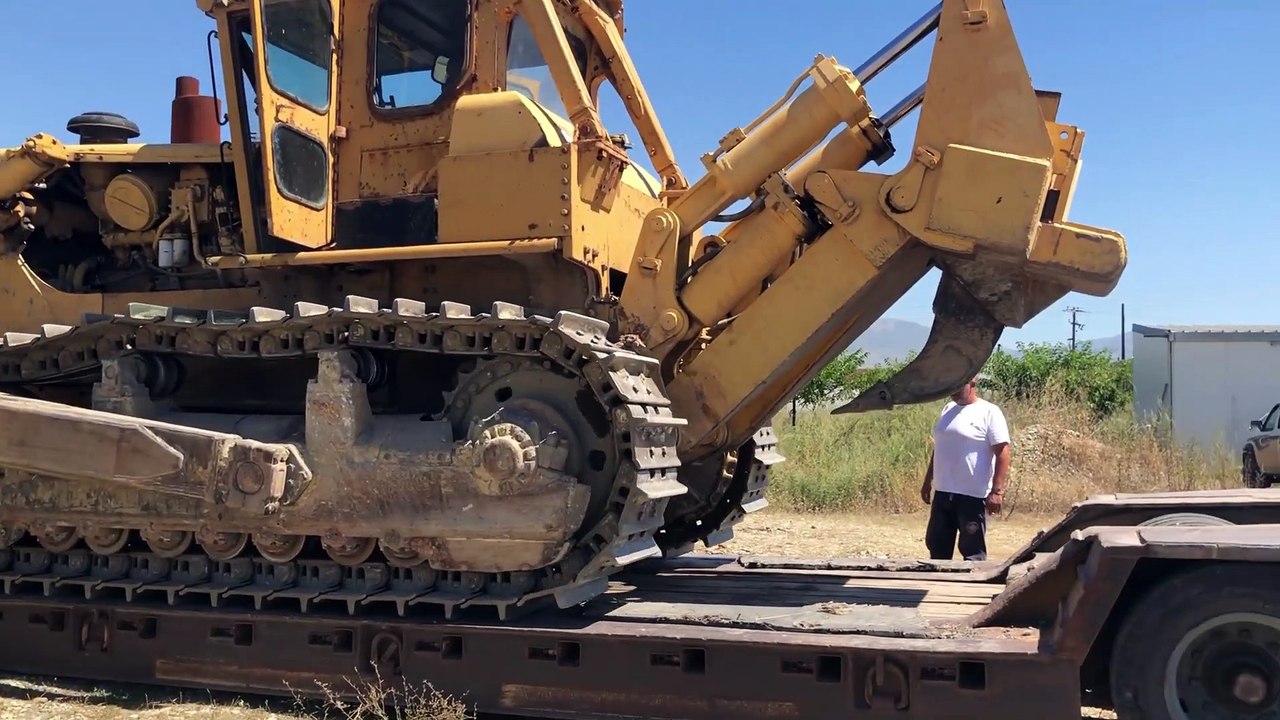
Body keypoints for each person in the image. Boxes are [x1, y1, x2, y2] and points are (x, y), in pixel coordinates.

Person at [919, 374, 1010, 561]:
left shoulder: (989, 412)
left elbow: (1003, 451)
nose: (953, 391)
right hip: (943, 492)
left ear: (972, 382)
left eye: (958, 385)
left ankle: (970, 588)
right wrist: (928, 481)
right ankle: (938, 588)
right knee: (937, 548)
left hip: (972, 496)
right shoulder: (948, 409)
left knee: (972, 551)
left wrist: (997, 491)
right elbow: (940, 448)